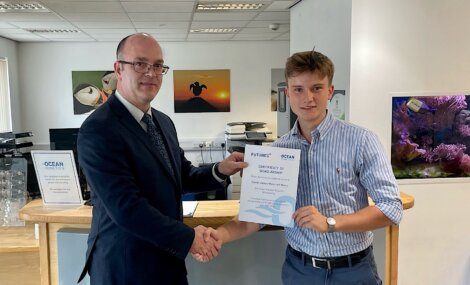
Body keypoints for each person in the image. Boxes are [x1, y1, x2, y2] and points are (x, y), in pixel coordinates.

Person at [196, 50, 403, 285]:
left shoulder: (362, 140)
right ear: (288, 94)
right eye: (298, 89)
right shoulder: (277, 151)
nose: (308, 98)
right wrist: (218, 236)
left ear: (330, 91)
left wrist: (331, 223)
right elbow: (257, 217)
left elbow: (391, 208)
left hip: (353, 271)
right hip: (301, 271)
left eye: (316, 88)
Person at [77, 33, 247, 285]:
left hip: (167, 263)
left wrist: (221, 169)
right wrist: (190, 239)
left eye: (158, 66)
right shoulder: (99, 129)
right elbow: (126, 207)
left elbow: (182, 175)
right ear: (118, 69)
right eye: (140, 64)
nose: (151, 73)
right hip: (125, 267)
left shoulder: (162, 122)